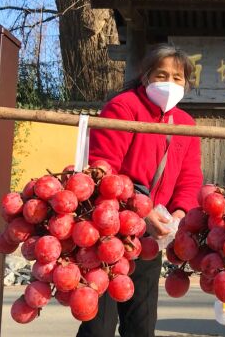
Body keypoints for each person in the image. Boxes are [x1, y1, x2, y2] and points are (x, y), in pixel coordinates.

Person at [78, 43, 204, 337]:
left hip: (151, 236)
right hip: (109, 229)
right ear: (146, 77)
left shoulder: (185, 124)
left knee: (142, 324)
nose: (170, 83)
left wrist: (178, 214)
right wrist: (142, 211)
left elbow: (190, 178)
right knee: (99, 325)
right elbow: (103, 169)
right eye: (162, 75)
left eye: (178, 77)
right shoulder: (122, 108)